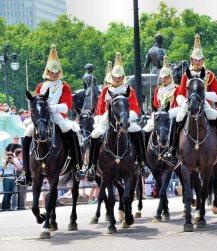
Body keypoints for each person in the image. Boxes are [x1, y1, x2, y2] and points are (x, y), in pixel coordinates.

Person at [77, 52, 150, 181]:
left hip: (125, 118)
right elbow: (99, 107)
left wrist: (127, 118)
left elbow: (135, 108)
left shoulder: (129, 90)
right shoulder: (106, 90)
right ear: (112, 76)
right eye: (115, 77)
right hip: (108, 119)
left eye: (119, 76)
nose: (117, 79)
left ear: (123, 76)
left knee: (138, 131)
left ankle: (143, 164)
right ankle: (92, 167)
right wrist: (99, 119)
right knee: (94, 135)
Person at [16, 44, 82, 186]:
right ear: (48, 71)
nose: (54, 74)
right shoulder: (41, 86)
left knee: (70, 132)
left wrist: (54, 107)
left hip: (57, 115)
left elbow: (67, 105)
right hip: (43, 117)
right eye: (52, 71)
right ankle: (25, 173)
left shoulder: (64, 86)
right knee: (27, 135)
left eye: (56, 71)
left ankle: (77, 167)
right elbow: (35, 102)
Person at [163, 34, 217, 165]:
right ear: (191, 60)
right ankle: (171, 151)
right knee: (176, 118)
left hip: (203, 103)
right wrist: (185, 103)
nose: (198, 62)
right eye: (195, 59)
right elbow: (180, 94)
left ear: (203, 60)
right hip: (188, 103)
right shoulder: (185, 75)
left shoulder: (210, 75)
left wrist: (203, 94)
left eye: (200, 60)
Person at [143, 55, 180, 146]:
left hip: (172, 113)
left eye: (165, 77)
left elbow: (179, 104)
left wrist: (170, 112)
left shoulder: (176, 88)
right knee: (146, 130)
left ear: (170, 77)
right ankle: (144, 156)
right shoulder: (157, 89)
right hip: (159, 115)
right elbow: (155, 104)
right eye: (161, 77)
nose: (163, 79)